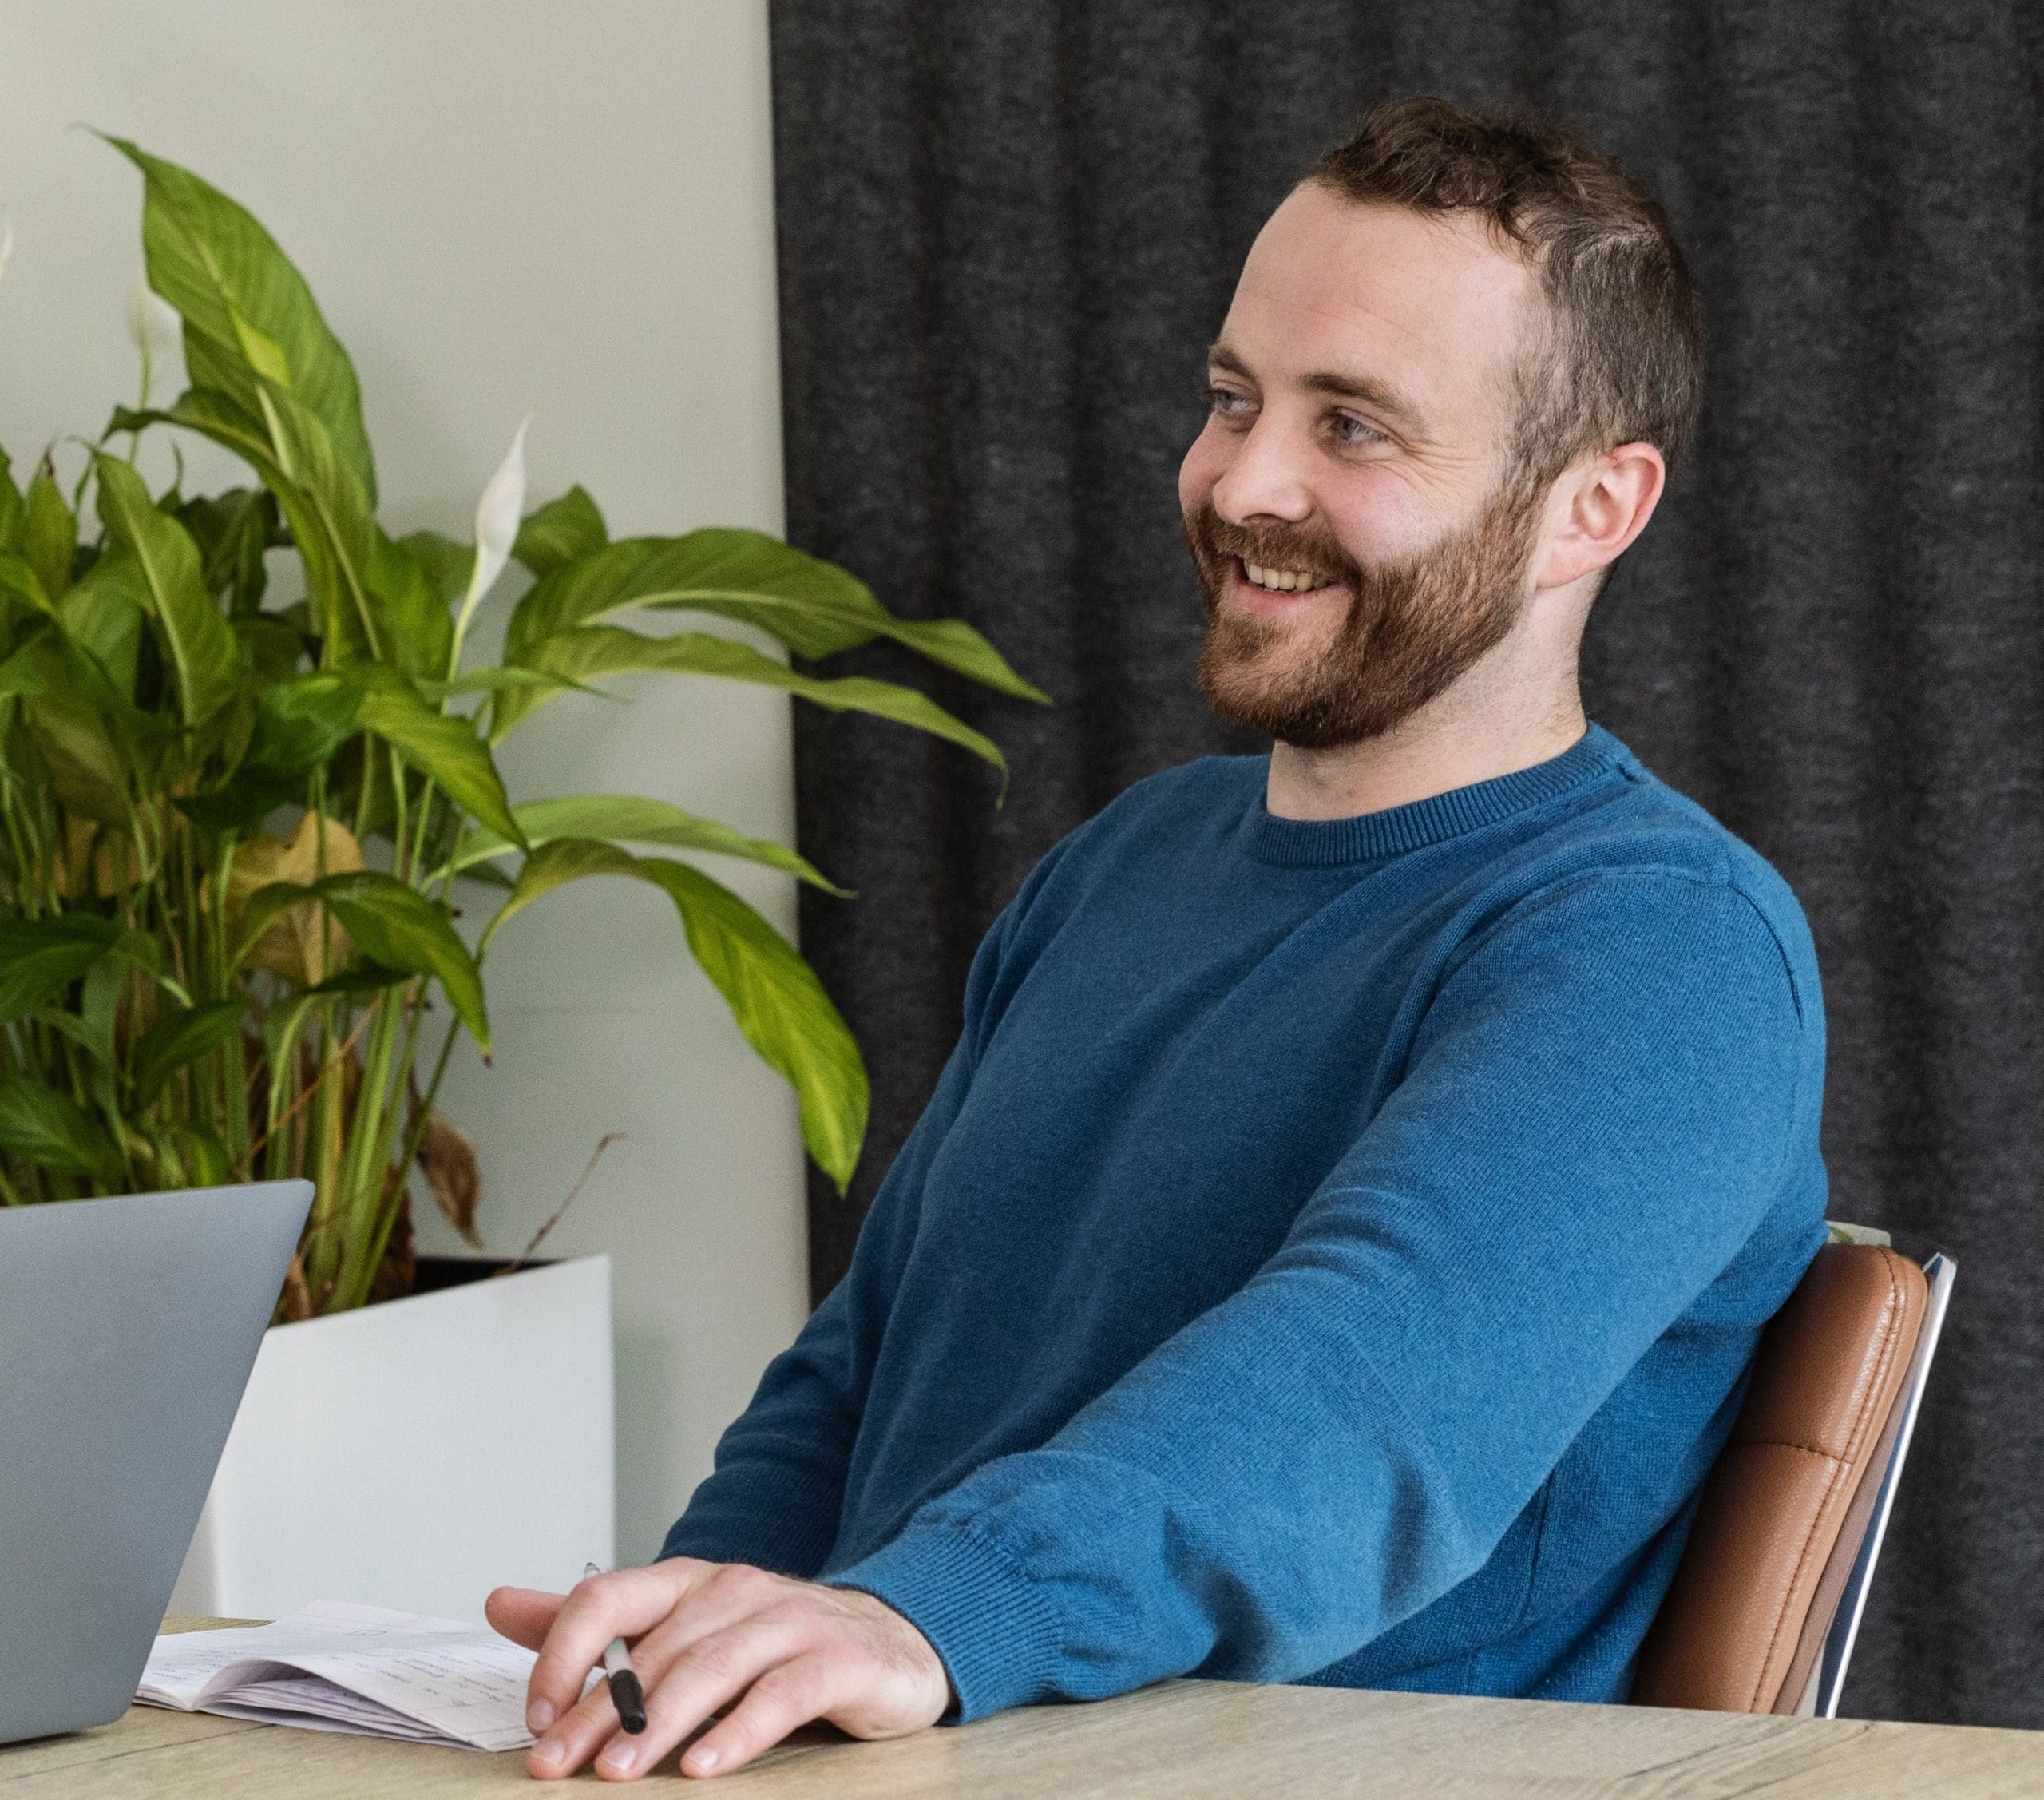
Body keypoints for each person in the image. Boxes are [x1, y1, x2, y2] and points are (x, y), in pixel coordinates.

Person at [486, 96, 1830, 1782]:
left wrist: (931, 1613)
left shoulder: (1662, 952)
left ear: (1589, 508)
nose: (1240, 483)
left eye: (1351, 426)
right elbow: (869, 1359)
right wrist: (685, 1640)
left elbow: (1357, 1398)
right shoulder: (1122, 864)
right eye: (1230, 399)